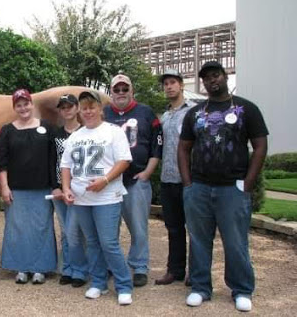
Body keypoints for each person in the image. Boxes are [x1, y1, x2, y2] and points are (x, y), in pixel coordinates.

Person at [178, 61, 268, 312]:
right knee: (198, 240)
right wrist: (188, 184)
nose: (211, 80)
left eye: (215, 75)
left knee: (236, 242)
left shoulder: (246, 108)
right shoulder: (194, 113)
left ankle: (241, 289)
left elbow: (260, 145)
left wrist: (247, 184)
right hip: (199, 188)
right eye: (206, 78)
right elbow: (183, 148)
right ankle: (200, 287)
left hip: (233, 189)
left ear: (225, 76)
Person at [61, 91, 133, 305]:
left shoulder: (113, 132)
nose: (88, 111)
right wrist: (66, 188)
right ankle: (99, 282)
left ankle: (123, 285)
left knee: (109, 242)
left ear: (101, 109)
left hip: (107, 197)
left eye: (92, 106)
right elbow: (66, 166)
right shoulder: (75, 136)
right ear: (80, 112)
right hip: (82, 198)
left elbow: (124, 161)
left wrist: (105, 179)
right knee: (92, 242)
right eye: (84, 108)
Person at [104, 74, 163, 287]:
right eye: (116, 89)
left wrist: (148, 171)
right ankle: (111, 264)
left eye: (124, 89)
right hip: (110, 181)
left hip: (136, 179)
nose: (121, 93)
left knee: (138, 226)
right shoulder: (104, 113)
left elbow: (158, 144)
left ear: (132, 90)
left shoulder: (146, 113)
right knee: (109, 227)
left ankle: (139, 266)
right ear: (111, 92)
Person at [0, 89, 58, 284]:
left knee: (42, 227)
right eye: (19, 105)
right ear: (15, 107)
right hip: (16, 189)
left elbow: (53, 159)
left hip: (42, 188)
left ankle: (40, 268)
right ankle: (21, 267)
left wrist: (55, 186)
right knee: (18, 228)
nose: (23, 108)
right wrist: (4, 186)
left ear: (31, 104)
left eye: (26, 103)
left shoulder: (47, 127)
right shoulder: (7, 130)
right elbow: (1, 161)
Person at [155, 69, 196, 285]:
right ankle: (175, 270)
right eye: (166, 84)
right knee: (173, 227)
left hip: (190, 179)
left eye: (172, 82)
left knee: (196, 228)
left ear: (181, 85)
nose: (169, 86)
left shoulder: (194, 111)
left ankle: (195, 272)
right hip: (168, 179)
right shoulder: (165, 116)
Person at [52, 94, 88, 288]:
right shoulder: (56, 134)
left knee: (78, 231)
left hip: (81, 190)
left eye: (70, 106)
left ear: (77, 108)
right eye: (63, 107)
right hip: (60, 189)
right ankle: (67, 268)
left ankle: (81, 270)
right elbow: (51, 162)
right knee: (66, 231)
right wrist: (55, 186)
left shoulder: (86, 133)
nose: (67, 110)